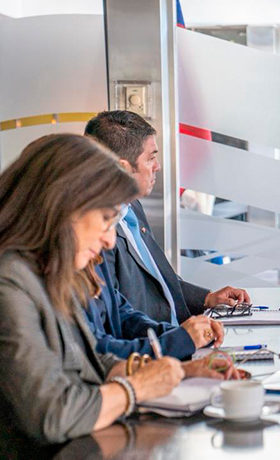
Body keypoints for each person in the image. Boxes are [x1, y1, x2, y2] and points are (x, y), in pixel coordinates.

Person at [0, 134, 239, 449]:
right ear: (62, 207)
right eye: (105, 219)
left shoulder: (49, 272)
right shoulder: (10, 283)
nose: (110, 240)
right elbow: (53, 414)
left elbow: (93, 359)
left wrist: (181, 371)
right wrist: (135, 389)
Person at [84, 111, 250, 324]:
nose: (158, 166)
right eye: (151, 158)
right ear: (124, 168)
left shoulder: (132, 207)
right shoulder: (97, 235)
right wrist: (180, 338)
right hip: (156, 342)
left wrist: (207, 299)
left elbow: (160, 282)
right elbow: (119, 319)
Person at [85, 256, 226, 360]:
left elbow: (124, 317)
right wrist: (176, 341)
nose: (110, 241)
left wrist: (188, 335)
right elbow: (95, 353)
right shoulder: (75, 276)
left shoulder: (95, 261)